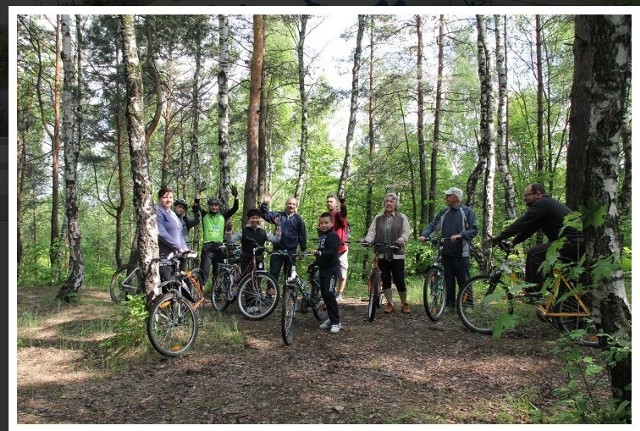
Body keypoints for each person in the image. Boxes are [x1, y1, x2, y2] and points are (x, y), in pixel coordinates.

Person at [490, 183, 584, 290]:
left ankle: (535, 293)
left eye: (527, 195)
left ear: (538, 194)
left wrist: (499, 237)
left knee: (534, 254)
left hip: (572, 243)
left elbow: (522, 222)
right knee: (558, 273)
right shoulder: (545, 207)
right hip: (574, 243)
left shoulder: (543, 203)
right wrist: (513, 242)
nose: (524, 199)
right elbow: (530, 228)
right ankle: (553, 300)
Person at [418, 187, 478, 308]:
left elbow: (474, 230)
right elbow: (434, 225)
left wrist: (460, 235)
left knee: (464, 280)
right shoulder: (444, 212)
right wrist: (425, 235)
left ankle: (468, 305)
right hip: (446, 251)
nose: (446, 198)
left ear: (455, 197)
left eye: (448, 195)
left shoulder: (467, 212)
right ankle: (450, 304)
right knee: (448, 280)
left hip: (461, 252)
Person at [363, 192, 411, 314]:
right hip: (381, 253)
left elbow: (406, 232)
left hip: (397, 253)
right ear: (384, 203)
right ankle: (390, 303)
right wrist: (368, 240)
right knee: (385, 279)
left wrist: (401, 240)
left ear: (396, 204)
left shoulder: (402, 217)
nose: (389, 203)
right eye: (387, 201)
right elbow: (372, 232)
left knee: (399, 279)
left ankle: (404, 303)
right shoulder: (378, 218)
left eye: (392, 201)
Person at [198, 185, 239, 289]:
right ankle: (200, 294)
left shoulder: (223, 216)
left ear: (219, 206)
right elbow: (196, 206)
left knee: (218, 273)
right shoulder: (205, 215)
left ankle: (216, 294)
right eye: (212, 205)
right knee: (204, 272)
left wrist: (236, 197)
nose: (214, 207)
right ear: (209, 206)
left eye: (216, 205)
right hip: (207, 247)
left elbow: (235, 208)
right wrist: (198, 193)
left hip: (219, 247)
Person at [260, 193, 307, 283]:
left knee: (290, 276)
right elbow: (265, 214)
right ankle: (271, 296)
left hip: (291, 252)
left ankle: (287, 296)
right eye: (289, 203)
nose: (291, 206)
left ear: (296, 206)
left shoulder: (298, 219)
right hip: (277, 250)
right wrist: (265, 203)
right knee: (273, 274)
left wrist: (303, 249)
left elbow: (302, 235)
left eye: (293, 204)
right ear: (286, 204)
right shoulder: (278, 215)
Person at [226, 208, 281, 274]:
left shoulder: (263, 232)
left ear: (259, 219)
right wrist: (229, 231)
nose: (255, 220)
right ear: (249, 219)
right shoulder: (243, 231)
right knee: (246, 281)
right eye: (253, 218)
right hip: (246, 260)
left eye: (257, 218)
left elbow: (276, 240)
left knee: (257, 281)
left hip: (259, 261)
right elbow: (231, 240)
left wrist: (278, 226)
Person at [314, 212, 342, 333]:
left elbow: (332, 252)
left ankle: (336, 322)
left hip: (332, 269)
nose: (324, 225)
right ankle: (331, 319)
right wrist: (314, 263)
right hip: (323, 269)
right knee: (325, 295)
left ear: (332, 223)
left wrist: (320, 253)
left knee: (330, 294)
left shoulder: (333, 236)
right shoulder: (322, 236)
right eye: (321, 223)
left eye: (326, 223)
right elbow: (320, 252)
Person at [155, 186, 189, 282]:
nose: (168, 200)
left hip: (174, 257)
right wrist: (178, 246)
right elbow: (161, 233)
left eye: (170, 197)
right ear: (159, 198)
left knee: (178, 284)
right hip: (163, 258)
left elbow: (179, 233)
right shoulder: (158, 211)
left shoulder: (172, 214)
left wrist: (185, 248)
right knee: (170, 286)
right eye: (165, 197)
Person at [326, 194, 349, 302]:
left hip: (341, 248)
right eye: (328, 201)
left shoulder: (338, 215)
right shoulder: (325, 216)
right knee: (328, 271)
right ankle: (329, 292)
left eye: (331, 201)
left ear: (336, 203)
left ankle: (339, 293)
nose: (329, 203)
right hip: (329, 249)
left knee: (342, 272)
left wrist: (343, 204)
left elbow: (343, 215)